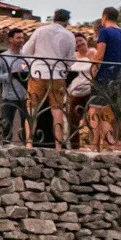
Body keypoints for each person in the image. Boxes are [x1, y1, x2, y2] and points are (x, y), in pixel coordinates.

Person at [22, 10, 76, 149]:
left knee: (32, 108)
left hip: (38, 73)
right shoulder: (69, 35)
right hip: (57, 75)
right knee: (57, 110)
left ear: (54, 18)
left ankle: (29, 143)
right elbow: (71, 60)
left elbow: (26, 51)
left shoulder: (40, 31)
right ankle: (58, 145)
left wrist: (34, 62)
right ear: (67, 21)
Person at [91, 6, 121, 150]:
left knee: (97, 110)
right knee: (118, 112)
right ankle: (117, 144)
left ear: (104, 17)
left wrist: (93, 73)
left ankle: (99, 144)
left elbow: (100, 55)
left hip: (105, 76)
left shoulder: (105, 32)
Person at [0, 28, 30, 144]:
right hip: (8, 96)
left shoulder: (26, 57)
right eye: (18, 38)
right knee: (6, 125)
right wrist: (11, 75)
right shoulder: (2, 57)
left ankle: (27, 147)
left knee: (26, 124)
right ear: (10, 39)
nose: (21, 40)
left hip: (25, 96)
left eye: (22, 38)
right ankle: (5, 147)